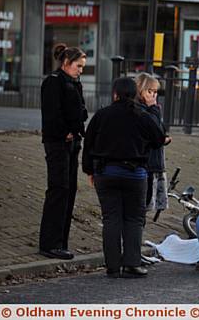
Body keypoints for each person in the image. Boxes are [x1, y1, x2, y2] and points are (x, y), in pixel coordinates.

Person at [83, 77, 166, 278]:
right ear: (135, 94)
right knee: (134, 219)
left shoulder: (102, 115)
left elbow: (89, 144)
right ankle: (132, 263)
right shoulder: (142, 115)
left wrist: (90, 171)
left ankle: (112, 265)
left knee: (111, 219)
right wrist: (154, 109)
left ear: (115, 94)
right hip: (135, 175)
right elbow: (159, 139)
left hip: (106, 173)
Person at [39, 44, 88, 260]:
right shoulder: (53, 82)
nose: (80, 70)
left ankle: (61, 241)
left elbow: (81, 110)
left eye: (82, 67)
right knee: (59, 189)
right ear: (66, 63)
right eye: (78, 66)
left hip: (72, 142)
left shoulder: (74, 83)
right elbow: (52, 114)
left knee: (68, 190)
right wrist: (65, 132)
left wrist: (76, 130)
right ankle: (50, 243)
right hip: (58, 142)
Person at [135, 73, 171, 212]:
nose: (153, 96)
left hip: (153, 162)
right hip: (147, 162)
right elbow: (157, 132)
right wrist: (154, 109)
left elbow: (161, 130)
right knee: (142, 204)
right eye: (150, 91)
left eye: (155, 92)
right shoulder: (144, 110)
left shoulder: (152, 109)